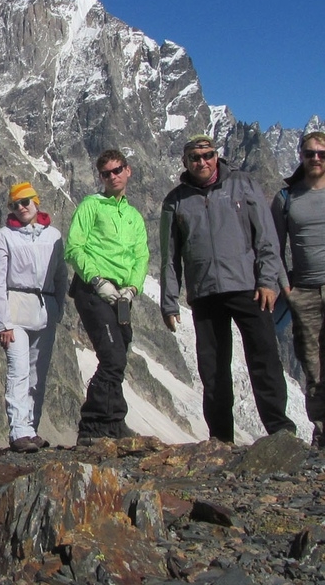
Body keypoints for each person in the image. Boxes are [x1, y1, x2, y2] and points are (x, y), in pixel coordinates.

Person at [160, 134, 296, 443]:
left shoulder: (243, 183)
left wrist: (267, 281)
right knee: (213, 370)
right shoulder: (175, 200)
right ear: (185, 162)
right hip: (205, 292)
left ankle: (281, 431)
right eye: (195, 157)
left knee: (264, 359)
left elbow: (266, 238)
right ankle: (221, 440)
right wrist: (169, 302)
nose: (202, 162)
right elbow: (169, 257)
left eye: (207, 155)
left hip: (248, 288)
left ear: (216, 156)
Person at [65, 150, 148, 444]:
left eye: (117, 170)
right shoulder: (91, 206)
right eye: (106, 173)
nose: (112, 176)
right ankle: (93, 425)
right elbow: (74, 247)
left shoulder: (134, 217)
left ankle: (113, 423)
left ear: (128, 171)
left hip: (122, 295)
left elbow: (141, 256)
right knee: (112, 355)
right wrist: (97, 279)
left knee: (120, 351)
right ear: (100, 177)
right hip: (93, 290)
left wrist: (133, 287)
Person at [0, 182, 67, 452]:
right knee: (18, 370)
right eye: (15, 204)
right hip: (14, 310)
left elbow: (60, 274)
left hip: (45, 307)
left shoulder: (54, 235)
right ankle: (19, 430)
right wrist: (2, 322)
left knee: (38, 373)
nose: (21, 208)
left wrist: (59, 307)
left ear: (37, 201)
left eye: (26, 202)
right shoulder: (3, 237)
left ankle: (32, 427)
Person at [271, 130, 325, 447]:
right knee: (313, 366)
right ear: (301, 156)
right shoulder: (287, 198)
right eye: (310, 153)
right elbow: (273, 247)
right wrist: (285, 289)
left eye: (321, 153)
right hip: (303, 291)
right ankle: (321, 434)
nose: (316, 158)